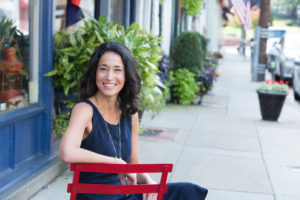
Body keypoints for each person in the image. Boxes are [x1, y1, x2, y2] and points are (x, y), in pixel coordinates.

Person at [59, 41, 208, 200]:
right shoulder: (85, 109)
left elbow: (134, 166)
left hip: (125, 194)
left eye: (117, 70)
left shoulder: (130, 114)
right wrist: (116, 163)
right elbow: (67, 152)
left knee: (187, 192)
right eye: (103, 69)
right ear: (94, 73)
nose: (110, 77)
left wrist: (147, 181)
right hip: (96, 196)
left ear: (126, 76)